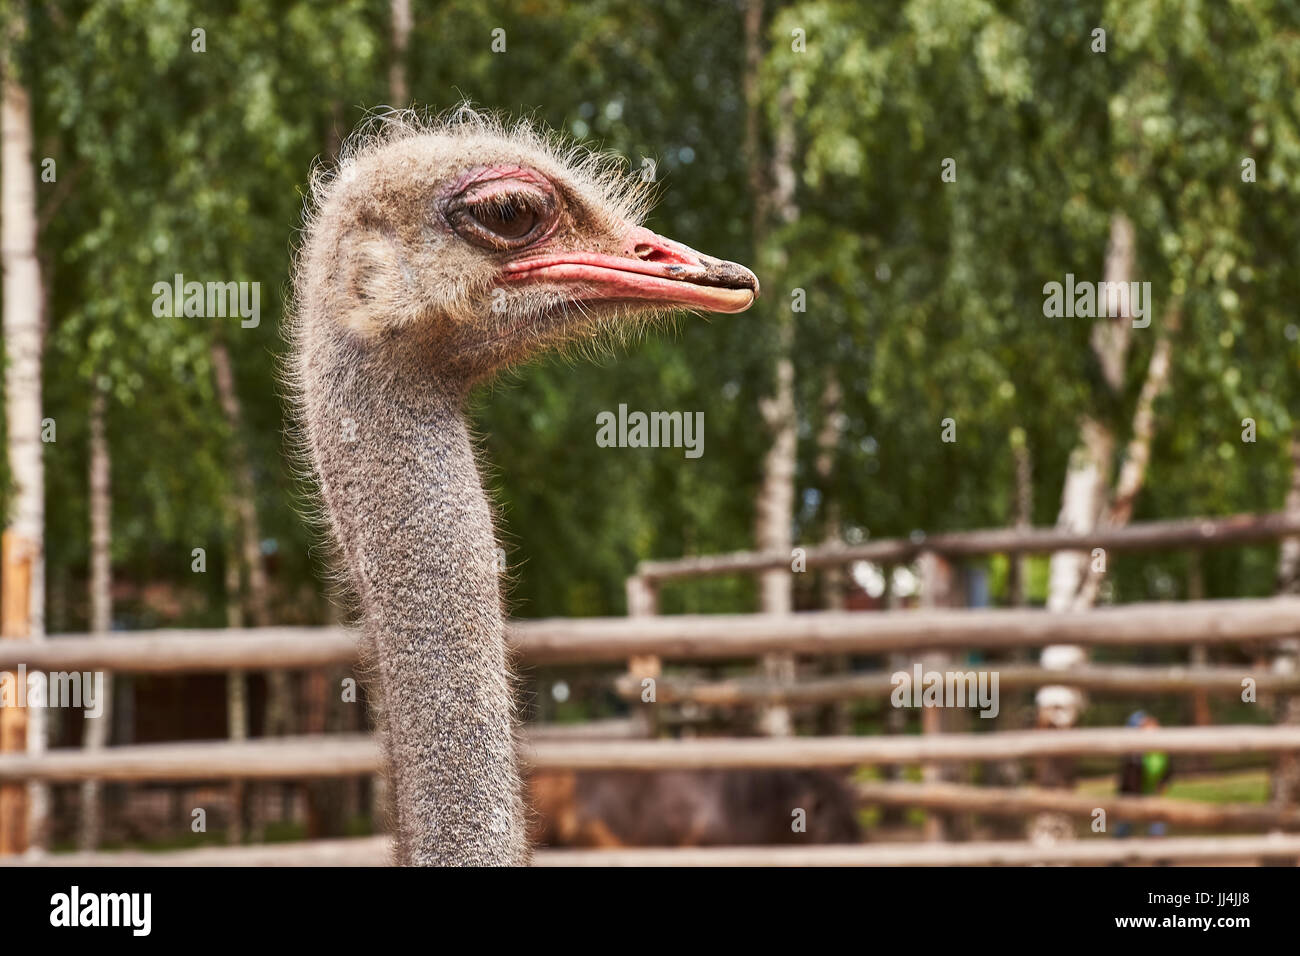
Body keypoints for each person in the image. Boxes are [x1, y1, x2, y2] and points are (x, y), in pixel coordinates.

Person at [1114, 710, 1172, 838]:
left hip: (1151, 791)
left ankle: (1158, 849)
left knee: (1157, 821)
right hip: (1133, 792)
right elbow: (1129, 778)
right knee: (1125, 821)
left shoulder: (1159, 751)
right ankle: (1117, 849)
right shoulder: (1134, 754)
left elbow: (1167, 768)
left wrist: (1164, 782)